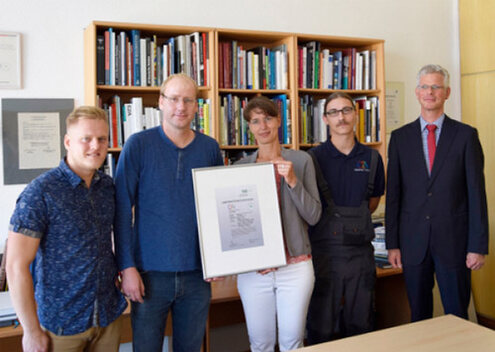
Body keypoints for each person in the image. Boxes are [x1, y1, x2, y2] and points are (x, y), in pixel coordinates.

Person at [114, 73, 224, 352]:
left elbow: (218, 209)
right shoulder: (137, 145)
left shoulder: (210, 148)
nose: (181, 106)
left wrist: (219, 260)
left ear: (197, 106)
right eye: (174, 99)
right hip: (150, 273)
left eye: (188, 100)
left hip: (198, 274)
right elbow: (122, 208)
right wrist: (126, 267)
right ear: (161, 102)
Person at [6, 106, 127, 352]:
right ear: (68, 141)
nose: (95, 146)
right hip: (60, 326)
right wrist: (30, 331)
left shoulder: (108, 188)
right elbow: (15, 266)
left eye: (102, 139)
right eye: (86, 139)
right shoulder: (40, 192)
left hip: (107, 317)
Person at [385, 64, 488, 322]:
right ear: (417, 92)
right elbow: (394, 195)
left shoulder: (466, 136)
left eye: (436, 87)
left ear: (447, 92)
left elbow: (476, 194)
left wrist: (477, 246)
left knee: (457, 315)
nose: (429, 92)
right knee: (418, 315)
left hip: (454, 243)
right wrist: (392, 243)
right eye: (424, 86)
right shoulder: (400, 138)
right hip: (412, 244)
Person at [234, 96, 321, 352]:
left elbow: (314, 215)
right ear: (249, 127)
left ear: (278, 121)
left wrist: (293, 181)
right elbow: (237, 224)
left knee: (292, 342)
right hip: (254, 272)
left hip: (295, 268)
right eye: (255, 121)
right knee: (260, 343)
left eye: (268, 118)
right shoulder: (240, 168)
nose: (263, 126)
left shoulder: (302, 161)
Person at [306, 92, 385, 343]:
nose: (341, 117)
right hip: (323, 255)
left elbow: (372, 203)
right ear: (325, 119)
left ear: (355, 115)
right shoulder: (312, 158)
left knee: (360, 324)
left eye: (346, 111)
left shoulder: (372, 158)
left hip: (360, 255)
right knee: (321, 327)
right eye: (334, 112)